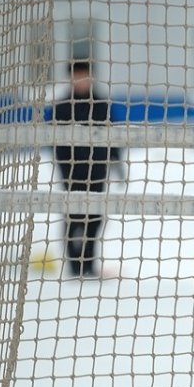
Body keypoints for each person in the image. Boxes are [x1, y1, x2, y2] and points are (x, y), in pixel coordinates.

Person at [51, 60, 121, 278]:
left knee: (95, 219)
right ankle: (74, 267)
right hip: (72, 172)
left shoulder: (101, 104)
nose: (81, 79)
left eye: (85, 74)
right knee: (73, 217)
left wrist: (117, 164)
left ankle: (89, 265)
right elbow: (55, 141)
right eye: (77, 75)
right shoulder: (62, 106)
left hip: (97, 170)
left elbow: (113, 136)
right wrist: (63, 165)